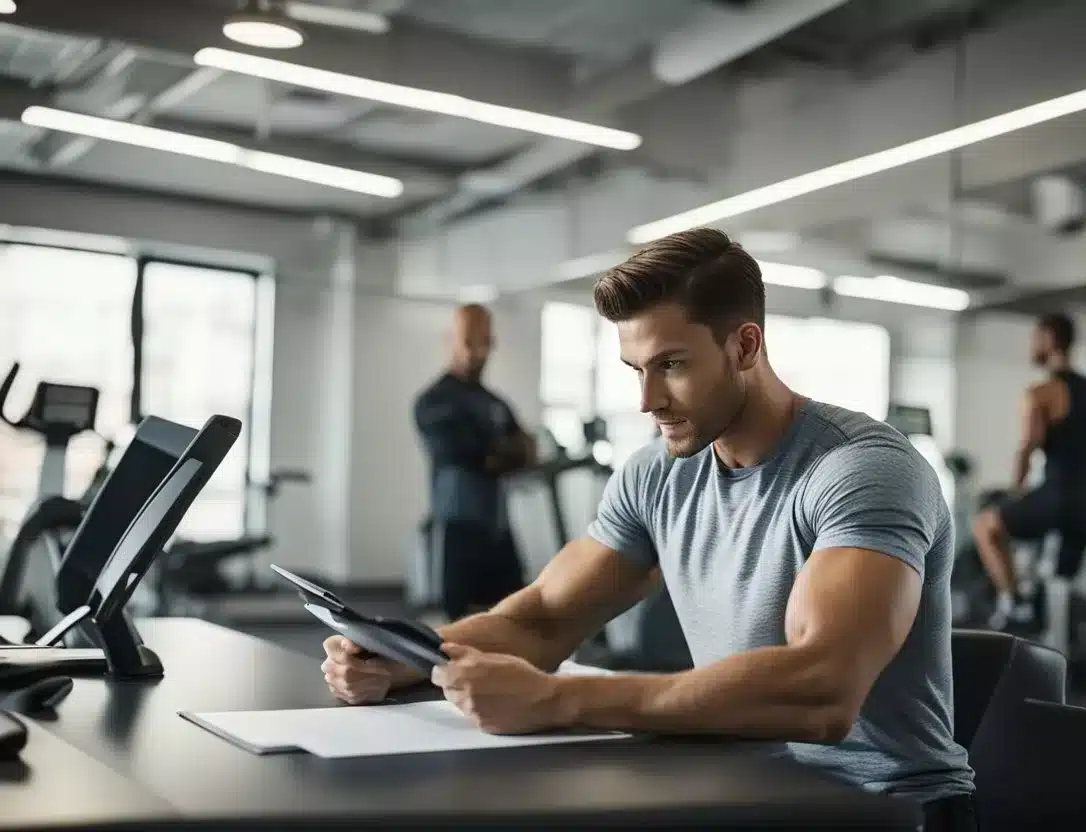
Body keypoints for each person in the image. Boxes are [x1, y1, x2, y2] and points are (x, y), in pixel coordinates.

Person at [326, 230, 976, 830]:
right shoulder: (658, 474)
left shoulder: (861, 471)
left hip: (887, 810)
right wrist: (409, 656)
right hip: (745, 787)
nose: (647, 400)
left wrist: (559, 699)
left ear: (745, 346)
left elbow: (823, 692)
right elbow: (544, 619)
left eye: (672, 365)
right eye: (636, 370)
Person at [972, 312, 1086, 629]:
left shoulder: (1041, 392)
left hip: (1058, 498)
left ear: (1048, 339)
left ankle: (1015, 605)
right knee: (1059, 586)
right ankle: (1059, 646)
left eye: (1035, 339)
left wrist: (1015, 491)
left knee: (986, 526)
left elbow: (1028, 446)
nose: (1032, 347)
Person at [413, 303, 535, 621]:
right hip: (457, 529)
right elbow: (462, 455)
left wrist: (495, 453)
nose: (476, 352)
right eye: (468, 341)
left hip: (498, 527)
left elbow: (527, 450)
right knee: (461, 628)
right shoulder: (432, 402)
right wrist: (498, 453)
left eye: (483, 342)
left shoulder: (495, 403)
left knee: (513, 619)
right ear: (450, 339)